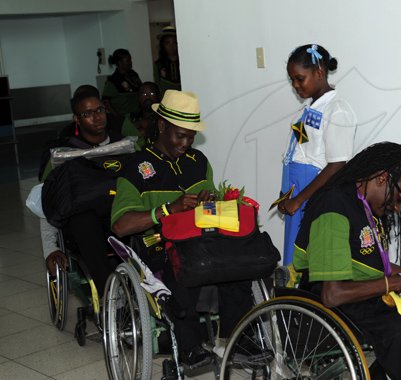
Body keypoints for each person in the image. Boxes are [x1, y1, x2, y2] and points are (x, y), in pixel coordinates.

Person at [111, 90, 254, 373]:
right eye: (180, 135)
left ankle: (233, 340)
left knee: (239, 267)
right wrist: (166, 210)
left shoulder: (198, 162)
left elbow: (209, 211)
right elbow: (121, 225)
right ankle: (189, 348)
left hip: (200, 242)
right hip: (158, 247)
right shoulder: (136, 168)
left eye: (190, 136)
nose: (186, 143)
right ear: (162, 125)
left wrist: (211, 203)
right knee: (182, 270)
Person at [293, 142, 401, 380]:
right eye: (399, 197)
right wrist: (397, 284)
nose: (396, 207)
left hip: (358, 290)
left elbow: (373, 264)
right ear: (382, 178)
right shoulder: (333, 206)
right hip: (331, 296)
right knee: (397, 332)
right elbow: (332, 295)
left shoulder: (363, 205)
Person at [41, 90, 129, 294]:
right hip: (82, 226)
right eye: (88, 113)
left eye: (99, 110)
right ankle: (111, 296)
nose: (96, 117)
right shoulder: (63, 153)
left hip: (120, 215)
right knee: (84, 221)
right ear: (76, 119)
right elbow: (47, 203)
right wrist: (51, 248)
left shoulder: (125, 145)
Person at [278, 43, 357, 266]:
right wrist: (288, 193)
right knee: (294, 254)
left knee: (308, 255)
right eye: (292, 80)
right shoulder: (310, 109)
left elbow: (337, 165)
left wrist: (300, 199)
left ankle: (305, 299)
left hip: (314, 192)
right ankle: (293, 298)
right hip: (297, 190)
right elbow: (303, 150)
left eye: (299, 79)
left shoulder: (337, 111)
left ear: (320, 73)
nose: (295, 85)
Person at [102, 48, 143, 117]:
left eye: (130, 59)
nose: (131, 62)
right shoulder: (113, 80)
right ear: (119, 62)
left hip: (138, 114)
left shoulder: (134, 75)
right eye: (128, 60)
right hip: (124, 117)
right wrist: (118, 117)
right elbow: (106, 102)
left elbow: (141, 89)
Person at [154, 26, 181, 94]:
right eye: (167, 43)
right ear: (163, 45)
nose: (171, 46)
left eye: (174, 42)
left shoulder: (184, 63)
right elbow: (157, 87)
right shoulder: (158, 65)